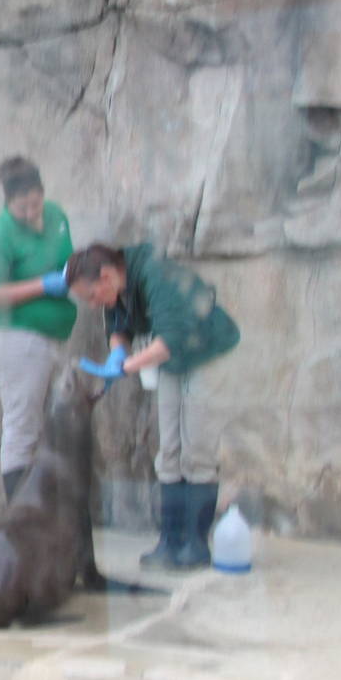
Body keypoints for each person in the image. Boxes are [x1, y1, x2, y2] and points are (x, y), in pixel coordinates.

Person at [65, 242, 240, 570]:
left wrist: (126, 367)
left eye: (91, 295)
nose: (92, 303)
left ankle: (195, 545)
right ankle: (169, 541)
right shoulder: (117, 288)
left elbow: (170, 338)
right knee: (169, 449)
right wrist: (118, 353)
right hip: (172, 361)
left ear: (106, 276)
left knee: (196, 450)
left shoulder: (156, 274)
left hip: (207, 354)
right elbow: (118, 327)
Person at [0, 157, 76, 501]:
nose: (31, 212)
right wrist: (42, 286)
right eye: (22, 207)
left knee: (52, 426)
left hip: (54, 337)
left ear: (43, 192)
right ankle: (20, 514)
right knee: (22, 428)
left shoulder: (56, 216)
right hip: (16, 339)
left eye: (36, 203)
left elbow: (67, 260)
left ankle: (45, 508)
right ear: (8, 202)